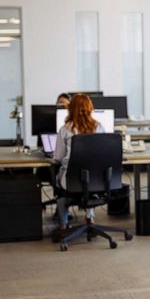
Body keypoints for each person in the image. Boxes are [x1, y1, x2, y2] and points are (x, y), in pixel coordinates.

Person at [53, 93, 106, 235]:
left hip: (71, 180)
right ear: (90, 109)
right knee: (88, 180)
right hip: (96, 180)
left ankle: (63, 225)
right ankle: (90, 218)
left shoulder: (65, 130)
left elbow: (58, 157)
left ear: (71, 109)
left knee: (60, 189)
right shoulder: (99, 128)